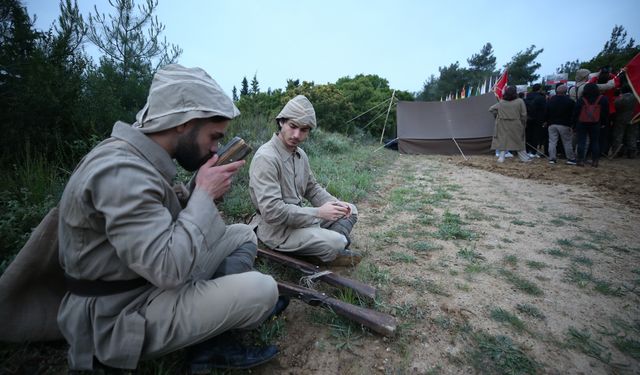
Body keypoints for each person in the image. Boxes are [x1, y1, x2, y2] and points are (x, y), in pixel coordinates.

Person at [57, 64, 283, 373]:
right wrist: (203, 195)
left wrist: (195, 193)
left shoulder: (139, 157)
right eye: (214, 136)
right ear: (183, 124)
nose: (216, 147)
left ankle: (211, 330)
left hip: (145, 279)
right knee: (262, 290)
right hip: (120, 312)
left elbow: (157, 222)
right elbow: (168, 269)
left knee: (243, 234)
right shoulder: (121, 170)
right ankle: (215, 327)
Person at [248, 95, 361, 266]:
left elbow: (312, 188)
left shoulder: (300, 155)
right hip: (277, 231)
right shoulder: (266, 158)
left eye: (304, 130)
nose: (296, 135)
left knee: (350, 209)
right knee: (336, 242)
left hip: (300, 220)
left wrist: (336, 206)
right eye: (292, 126)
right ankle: (330, 245)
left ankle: (326, 244)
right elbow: (272, 212)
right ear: (281, 122)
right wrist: (318, 213)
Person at [489, 86, 532, 163]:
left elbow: (491, 109)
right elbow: (524, 114)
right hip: (516, 123)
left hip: (503, 123)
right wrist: (523, 123)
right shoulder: (520, 101)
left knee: (503, 140)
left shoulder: (502, 102)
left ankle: (501, 158)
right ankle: (524, 158)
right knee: (518, 140)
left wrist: (497, 115)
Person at [573, 83, 609, 167]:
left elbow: (576, 112)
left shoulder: (582, 99)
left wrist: (574, 123)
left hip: (582, 122)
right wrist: (603, 123)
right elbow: (605, 113)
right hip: (596, 123)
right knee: (595, 142)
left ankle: (580, 160)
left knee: (581, 141)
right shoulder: (603, 99)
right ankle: (595, 161)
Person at [546, 85, 577, 165]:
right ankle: (570, 158)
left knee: (552, 142)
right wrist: (572, 124)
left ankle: (552, 158)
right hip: (564, 124)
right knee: (567, 142)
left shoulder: (550, 100)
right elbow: (573, 114)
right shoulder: (570, 101)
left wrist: (546, 121)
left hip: (552, 123)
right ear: (566, 92)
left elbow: (546, 112)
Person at [612, 84, 639, 158]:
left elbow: (615, 106)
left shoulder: (621, 98)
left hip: (621, 118)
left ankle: (617, 152)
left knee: (618, 135)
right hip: (634, 118)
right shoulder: (637, 97)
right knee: (632, 136)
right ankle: (632, 153)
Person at [524, 83, 547, 157]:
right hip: (538, 119)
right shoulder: (541, 98)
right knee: (536, 135)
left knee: (528, 134)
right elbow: (544, 109)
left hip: (528, 118)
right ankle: (533, 152)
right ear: (539, 89)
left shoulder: (527, 96)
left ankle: (527, 150)